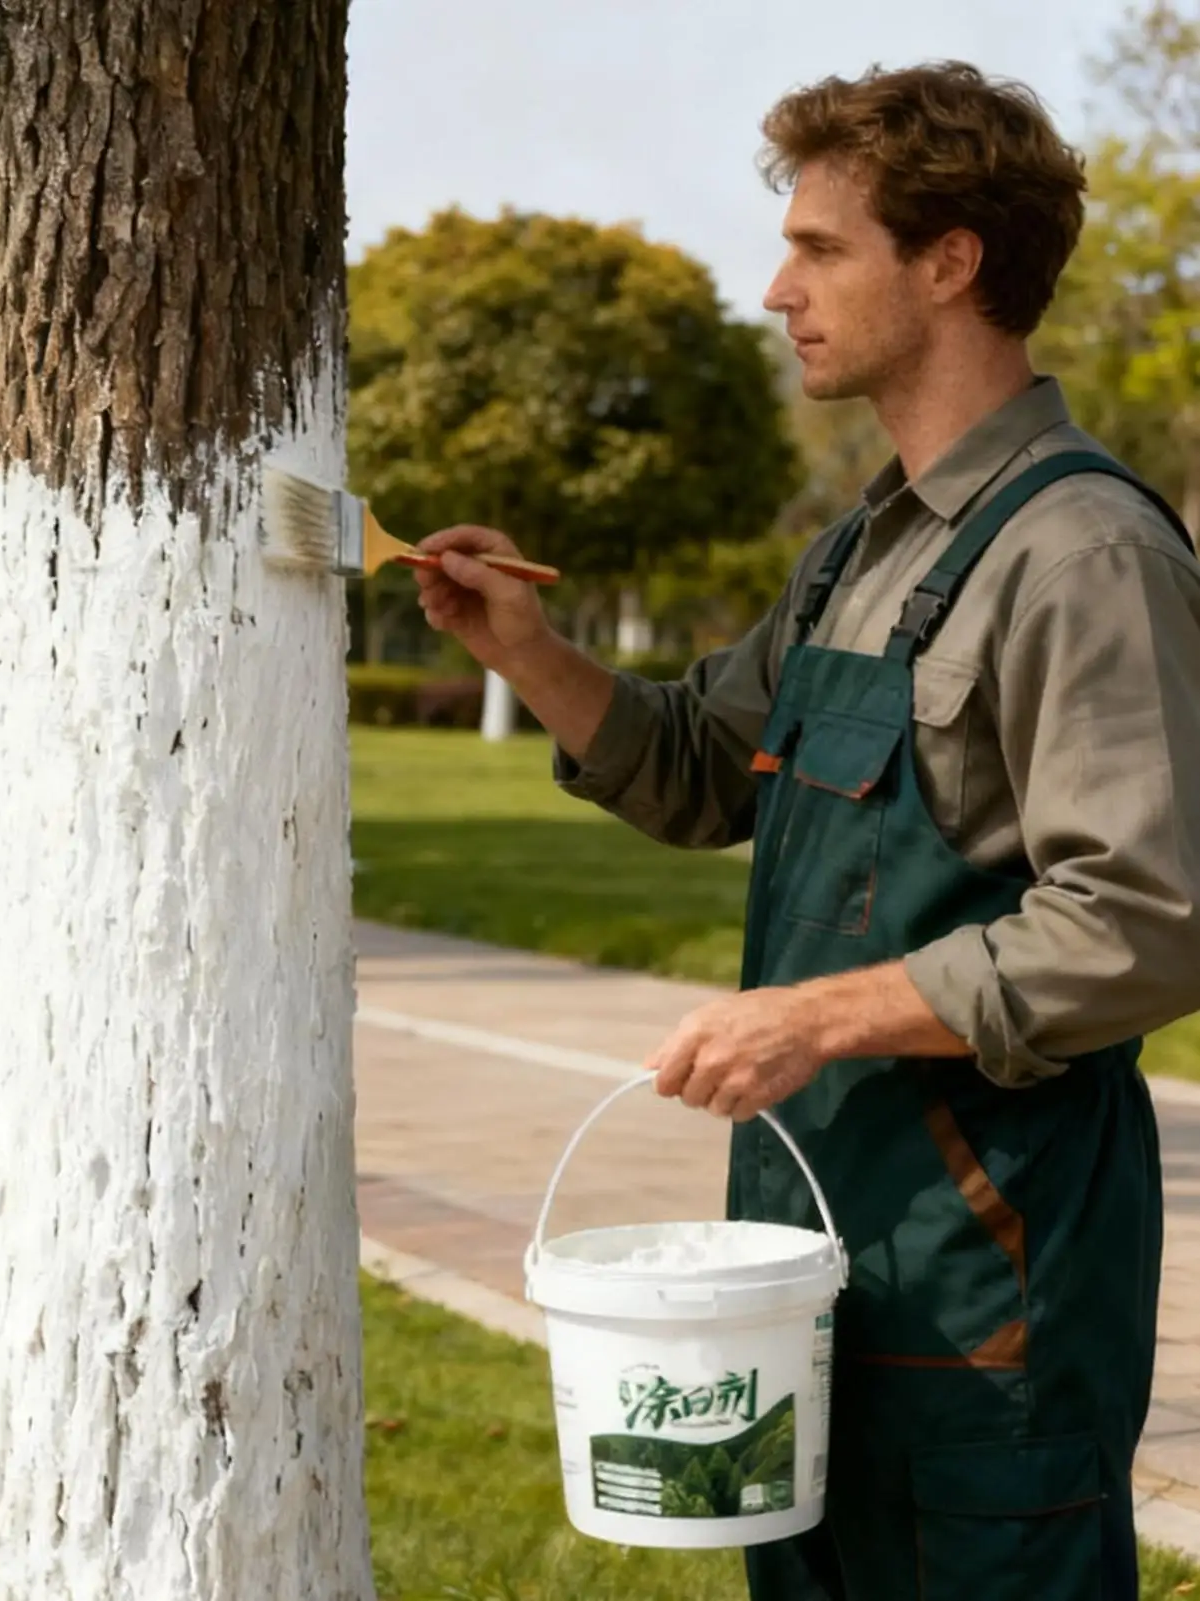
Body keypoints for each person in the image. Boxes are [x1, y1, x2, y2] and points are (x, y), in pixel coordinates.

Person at [413, 59, 1200, 1601]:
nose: (777, 289)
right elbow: (706, 763)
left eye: (821, 248)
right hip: (811, 1247)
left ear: (951, 260)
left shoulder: (1085, 553)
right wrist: (526, 651)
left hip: (996, 1275)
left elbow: (1148, 919)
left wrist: (817, 1018)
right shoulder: (862, 549)